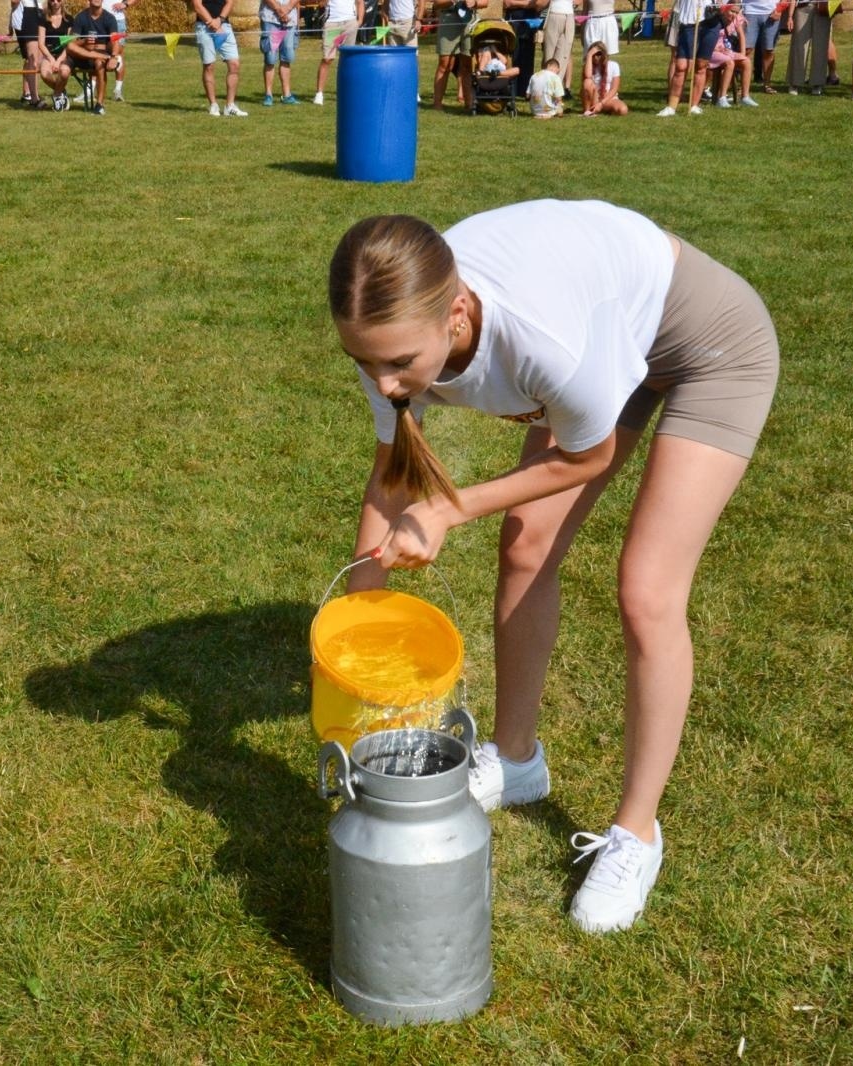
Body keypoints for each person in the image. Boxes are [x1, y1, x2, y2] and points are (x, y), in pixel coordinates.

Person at [328, 200, 778, 934]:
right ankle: (515, 759)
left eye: (399, 364)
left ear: (458, 316)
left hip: (708, 345)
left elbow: (588, 456)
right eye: (364, 361)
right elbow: (389, 483)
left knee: (646, 591)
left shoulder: (542, 342)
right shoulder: (391, 337)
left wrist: (448, 507)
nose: (382, 383)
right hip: (609, 339)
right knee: (525, 544)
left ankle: (637, 834)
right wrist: (357, 634)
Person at [659, 0, 719, 114]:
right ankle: (671, 107)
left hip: (711, 20)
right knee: (681, 66)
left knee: (701, 65)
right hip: (689, 21)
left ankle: (694, 105)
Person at [192, 0, 248, 114]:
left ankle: (230, 106)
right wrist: (212, 23)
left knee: (234, 65)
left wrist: (220, 20)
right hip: (203, 25)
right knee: (209, 66)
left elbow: (230, 2)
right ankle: (213, 105)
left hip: (224, 25)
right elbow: (197, 6)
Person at [69, 0, 120, 114]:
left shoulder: (109, 18)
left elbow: (115, 41)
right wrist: (84, 41)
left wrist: (114, 57)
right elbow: (72, 42)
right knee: (68, 55)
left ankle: (100, 104)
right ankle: (60, 97)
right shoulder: (81, 17)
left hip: (102, 55)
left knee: (99, 62)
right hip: (84, 55)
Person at [433, 0, 484, 107]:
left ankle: (469, 104)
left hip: (470, 20)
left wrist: (474, 3)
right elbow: (437, 4)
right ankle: (437, 104)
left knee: (468, 65)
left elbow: (485, 2)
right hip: (449, 18)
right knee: (445, 64)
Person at [315, 0, 363, 104]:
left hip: (350, 22)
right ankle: (319, 94)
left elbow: (360, 2)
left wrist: (359, 21)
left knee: (348, 59)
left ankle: (348, 92)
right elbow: (321, 4)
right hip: (331, 23)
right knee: (327, 58)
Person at [708, 5, 755, 105]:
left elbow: (741, 36)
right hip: (712, 51)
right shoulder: (715, 19)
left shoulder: (736, 19)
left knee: (746, 61)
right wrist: (714, 47)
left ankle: (745, 96)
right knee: (729, 63)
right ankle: (722, 98)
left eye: (736, 12)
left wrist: (742, 54)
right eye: (732, 11)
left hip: (726, 50)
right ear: (725, 9)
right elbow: (706, 36)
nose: (734, 14)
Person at [261, 0, 301, 105]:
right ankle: (268, 95)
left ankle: (287, 95)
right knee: (270, 59)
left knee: (286, 58)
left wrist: (287, 9)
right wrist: (279, 10)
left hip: (290, 20)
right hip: (271, 19)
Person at [787, 0, 832, 93]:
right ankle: (795, 82)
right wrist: (790, 16)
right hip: (803, 8)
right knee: (798, 46)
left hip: (823, 8)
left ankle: (817, 83)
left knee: (820, 47)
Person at [37, 0, 76, 108]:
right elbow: (41, 44)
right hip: (49, 54)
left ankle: (56, 94)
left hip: (64, 54)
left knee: (63, 73)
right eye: (52, 0)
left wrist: (59, 61)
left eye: (58, 0)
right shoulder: (43, 19)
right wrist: (51, 59)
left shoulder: (69, 19)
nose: (55, 2)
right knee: (44, 74)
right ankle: (61, 91)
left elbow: (69, 44)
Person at [12, 0, 46, 107]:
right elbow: (14, 1)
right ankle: (34, 99)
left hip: (40, 11)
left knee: (37, 59)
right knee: (32, 59)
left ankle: (29, 93)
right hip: (27, 12)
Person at [541, 0, 577, 99]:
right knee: (549, 55)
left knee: (563, 56)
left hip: (569, 15)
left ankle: (556, 91)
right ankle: (544, 89)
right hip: (554, 13)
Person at [744, 0, 782, 93]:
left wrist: (779, 9)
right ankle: (743, 86)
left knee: (768, 50)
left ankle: (767, 85)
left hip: (772, 12)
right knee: (746, 50)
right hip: (749, 11)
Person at [579, 40, 627, 112]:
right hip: (594, 97)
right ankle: (587, 111)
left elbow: (614, 88)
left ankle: (604, 108)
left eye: (599, 54)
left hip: (607, 98)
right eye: (593, 54)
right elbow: (588, 76)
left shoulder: (614, 65)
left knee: (623, 110)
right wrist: (589, 55)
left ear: (604, 54)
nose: (596, 57)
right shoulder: (588, 66)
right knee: (587, 81)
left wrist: (601, 103)